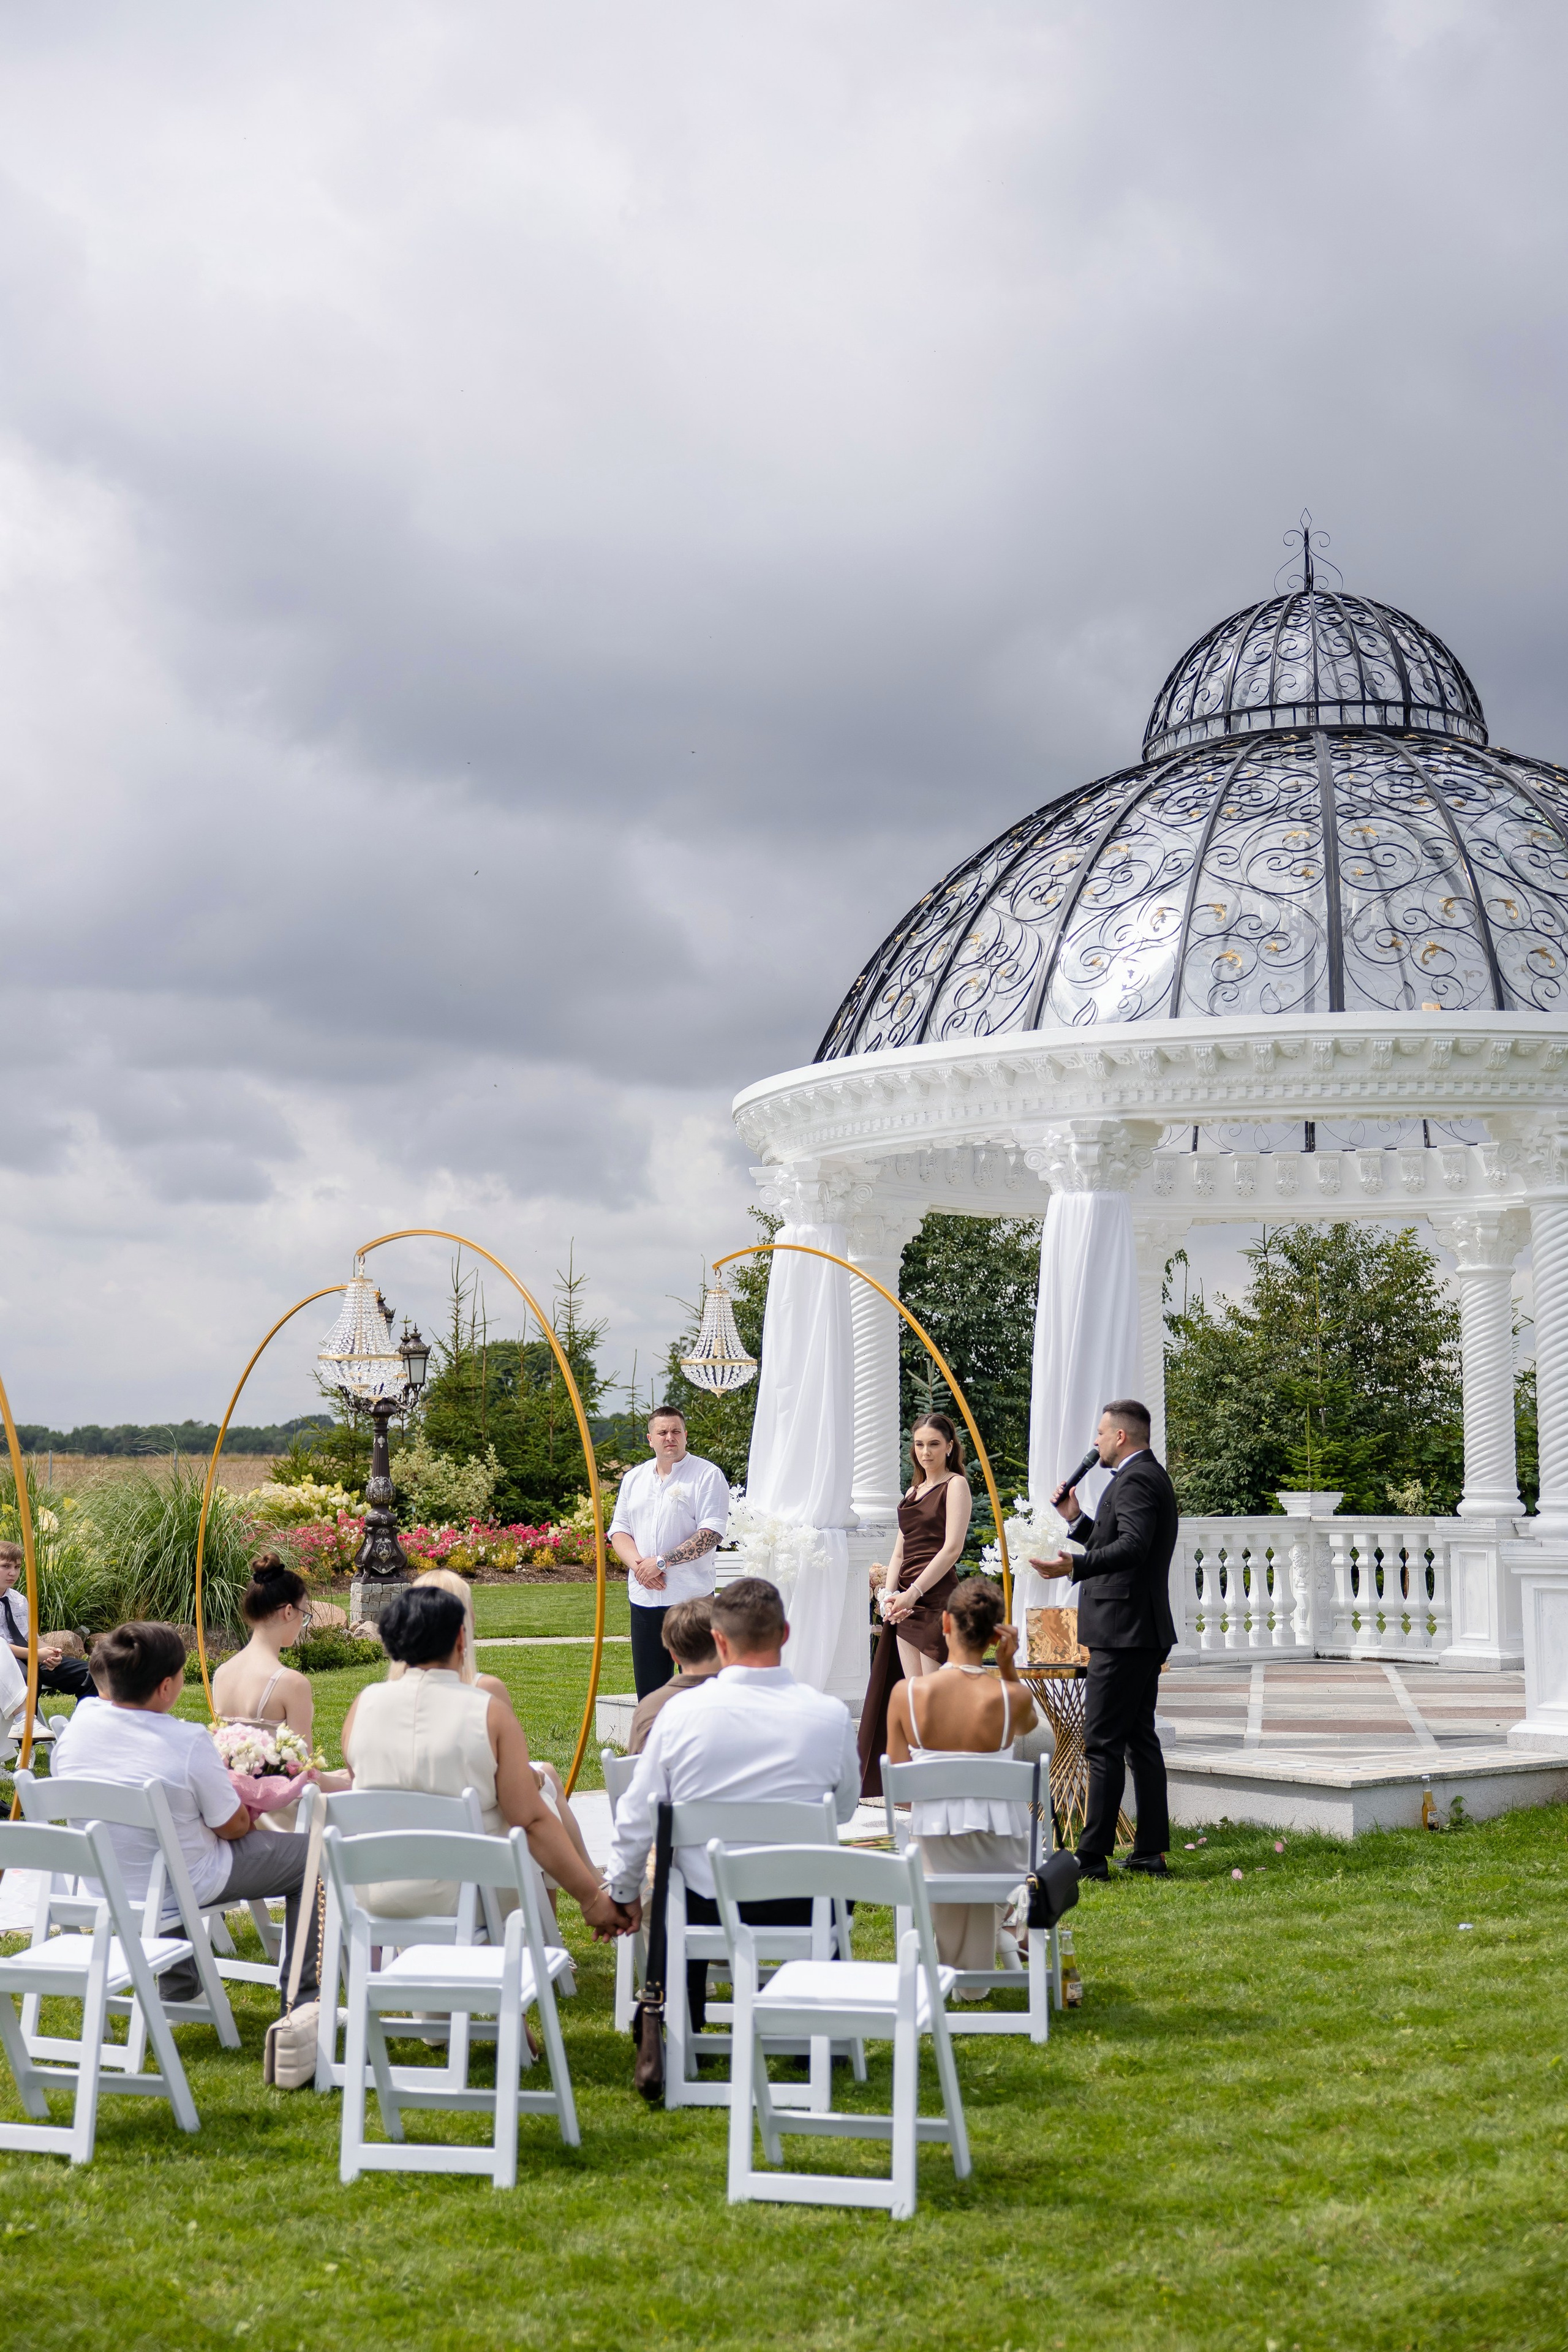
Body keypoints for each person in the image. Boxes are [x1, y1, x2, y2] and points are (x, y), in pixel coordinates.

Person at [606, 1575, 859, 2030]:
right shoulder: (831, 1716)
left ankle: (687, 2024)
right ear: (784, 1633)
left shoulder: (680, 1714)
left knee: (677, 1886)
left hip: (707, 1901)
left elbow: (638, 1813)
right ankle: (812, 2034)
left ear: (719, 1641)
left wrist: (623, 1892)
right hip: (801, 1900)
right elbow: (841, 1810)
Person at [50, 1620, 322, 2009]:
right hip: (180, 1882)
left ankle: (181, 1991)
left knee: (164, 1847)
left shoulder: (76, 1733)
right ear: (166, 1686)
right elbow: (233, 1828)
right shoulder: (186, 1740)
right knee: (313, 1858)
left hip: (107, 1883)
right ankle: (303, 2005)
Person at [341, 1583, 626, 1932]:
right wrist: (591, 1899)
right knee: (541, 1801)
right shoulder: (487, 1713)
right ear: (461, 1638)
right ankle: (555, 1934)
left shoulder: (362, 1706)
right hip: (473, 1892)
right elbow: (530, 1820)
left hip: (378, 1890)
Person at [1030, 1398, 1177, 1881]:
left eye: (1099, 1434)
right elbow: (1119, 1543)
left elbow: (1132, 1549)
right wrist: (1077, 1522)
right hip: (1136, 1629)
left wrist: (1073, 1564)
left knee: (1103, 1743)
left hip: (1125, 1631)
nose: (1093, 1443)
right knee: (1138, 1740)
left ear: (1120, 1437)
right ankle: (1149, 1851)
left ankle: (1091, 1858)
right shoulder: (1142, 1477)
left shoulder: (1136, 1480)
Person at [884, 1577, 1051, 1981]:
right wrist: (1008, 1668)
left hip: (935, 1860)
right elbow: (1028, 1723)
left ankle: (962, 1966)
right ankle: (1007, 1930)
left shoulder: (906, 1694)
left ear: (945, 1624)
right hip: (1007, 1862)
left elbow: (900, 1784)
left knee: (933, 1843)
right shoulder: (1013, 1699)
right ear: (996, 1635)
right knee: (1028, 1842)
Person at [385, 1565, 582, 1845]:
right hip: (475, 1845)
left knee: (546, 1775)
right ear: (461, 1627)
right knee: (543, 1793)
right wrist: (538, 1782)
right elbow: (518, 1794)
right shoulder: (484, 1693)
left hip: (405, 1843)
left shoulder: (373, 1705)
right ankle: (590, 1882)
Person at [856, 1414, 973, 1798]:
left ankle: (946, 1787)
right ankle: (922, 1787)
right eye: (920, 1445)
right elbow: (899, 1551)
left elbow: (952, 1549)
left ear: (950, 1446)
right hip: (905, 1602)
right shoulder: (913, 1491)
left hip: (935, 1598)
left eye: (934, 1444)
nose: (926, 1452)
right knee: (915, 1694)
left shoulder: (955, 1486)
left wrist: (914, 1594)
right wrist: (887, 1597)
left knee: (936, 1696)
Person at [609, 1406, 731, 1701]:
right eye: (662, 1432)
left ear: (685, 1435)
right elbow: (619, 1530)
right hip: (645, 1599)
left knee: (702, 1689)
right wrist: (641, 1567)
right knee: (650, 1693)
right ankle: (653, 1744)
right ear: (650, 1439)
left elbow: (711, 1532)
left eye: (676, 1431)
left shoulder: (707, 1475)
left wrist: (661, 1562)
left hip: (692, 1600)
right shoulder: (634, 1479)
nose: (670, 1438)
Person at [0, 1541, 95, 1702]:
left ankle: (84, 1721)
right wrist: (35, 1655)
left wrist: (52, 1653)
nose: (13, 1573)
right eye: (6, 1566)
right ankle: (27, 1725)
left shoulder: (19, 1600)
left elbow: (32, 1639)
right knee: (27, 1679)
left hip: (32, 1656)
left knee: (91, 1674)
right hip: (6, 1660)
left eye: (17, 1567)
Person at [626, 1597, 720, 1755]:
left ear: (673, 1654)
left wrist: (659, 1569)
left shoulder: (649, 1712)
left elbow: (640, 1772)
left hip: (693, 1588)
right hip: (643, 1598)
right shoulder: (747, 1705)